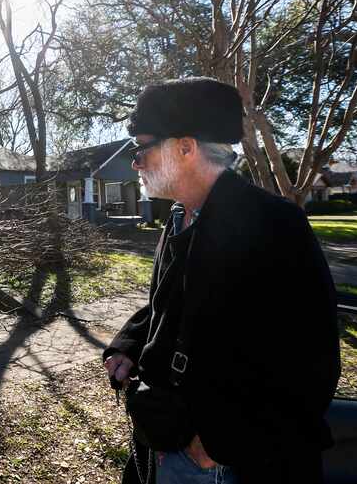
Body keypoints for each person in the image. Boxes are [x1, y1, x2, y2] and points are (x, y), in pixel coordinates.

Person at [103, 77, 341, 484]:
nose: (135, 162)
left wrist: (216, 444)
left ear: (186, 148)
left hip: (228, 464)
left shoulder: (273, 225)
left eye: (142, 148)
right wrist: (129, 343)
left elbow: (312, 360)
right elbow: (171, 303)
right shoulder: (180, 217)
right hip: (167, 439)